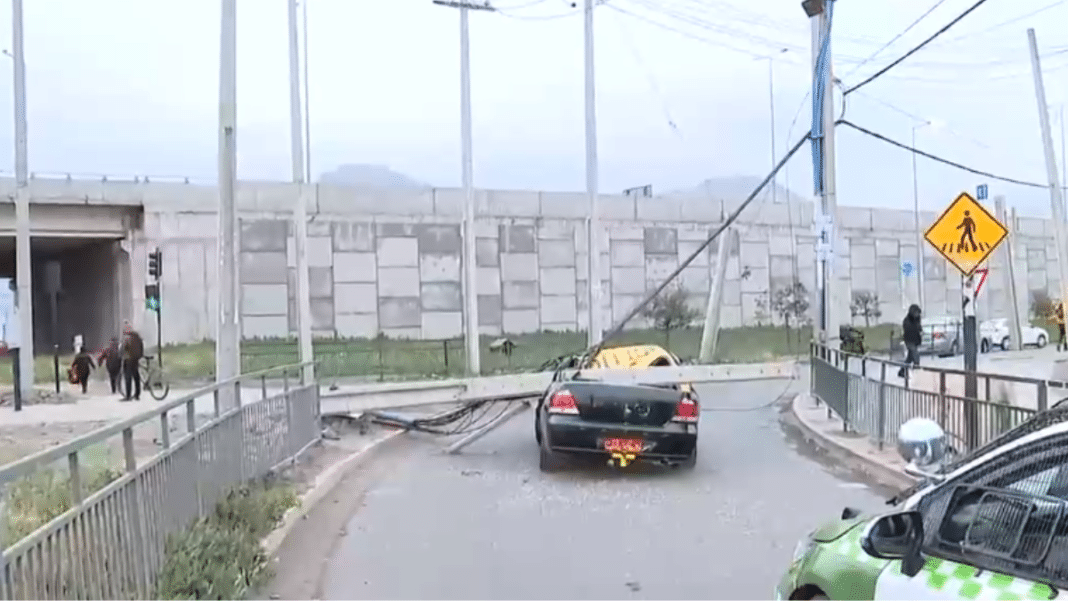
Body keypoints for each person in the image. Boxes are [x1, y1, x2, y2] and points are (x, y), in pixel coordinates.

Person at [120, 322, 144, 401]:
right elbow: (141, 348)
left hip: (128, 360)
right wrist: (139, 356)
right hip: (135, 359)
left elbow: (123, 348)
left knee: (128, 378)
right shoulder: (138, 337)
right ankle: (137, 394)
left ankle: (128, 396)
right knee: (136, 376)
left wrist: (120, 356)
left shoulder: (127, 338)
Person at [899, 304, 923, 378]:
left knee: (909, 358)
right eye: (916, 313)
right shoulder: (907, 320)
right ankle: (917, 374)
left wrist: (919, 330)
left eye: (918, 313)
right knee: (916, 357)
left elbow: (919, 329)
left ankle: (902, 371)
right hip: (910, 341)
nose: (917, 314)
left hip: (914, 341)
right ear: (912, 312)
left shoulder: (916, 320)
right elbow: (909, 331)